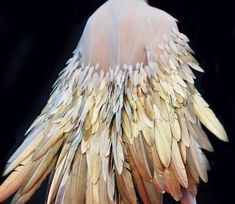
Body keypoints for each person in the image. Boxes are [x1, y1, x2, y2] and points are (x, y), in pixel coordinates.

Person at [0, 0, 228, 203]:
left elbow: (70, 103)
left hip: (96, 162)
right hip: (139, 152)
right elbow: (173, 118)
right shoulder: (160, 22)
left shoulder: (95, 19)